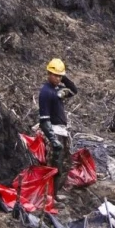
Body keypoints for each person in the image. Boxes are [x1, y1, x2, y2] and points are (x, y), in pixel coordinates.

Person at [38, 58, 78, 197]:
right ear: (49, 74)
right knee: (53, 165)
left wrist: (63, 77)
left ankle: (54, 194)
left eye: (60, 76)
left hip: (62, 131)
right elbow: (44, 120)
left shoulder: (58, 89)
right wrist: (53, 140)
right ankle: (48, 196)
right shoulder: (46, 92)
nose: (58, 78)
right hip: (54, 131)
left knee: (63, 164)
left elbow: (73, 90)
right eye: (56, 75)